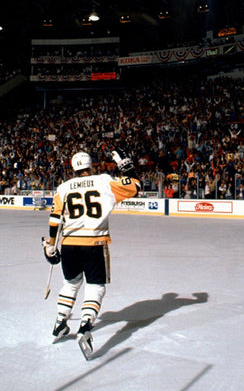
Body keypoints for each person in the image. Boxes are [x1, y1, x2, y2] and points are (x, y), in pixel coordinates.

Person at [42, 149, 141, 358]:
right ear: (91, 166)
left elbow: (54, 220)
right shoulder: (104, 181)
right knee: (95, 286)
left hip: (69, 244)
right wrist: (125, 165)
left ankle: (60, 322)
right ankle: (85, 326)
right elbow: (135, 186)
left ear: (73, 168)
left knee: (70, 283)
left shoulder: (63, 187)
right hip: (94, 243)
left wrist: (51, 245)